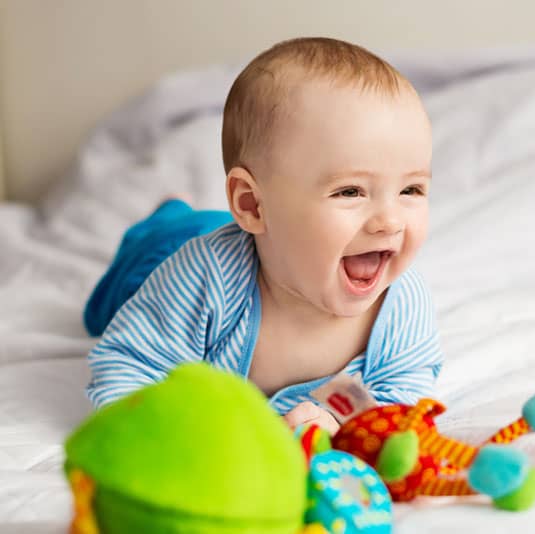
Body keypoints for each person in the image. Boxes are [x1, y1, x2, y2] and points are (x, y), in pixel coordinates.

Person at [83, 37, 443, 434]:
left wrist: (344, 426)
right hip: (170, 251)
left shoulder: (399, 306)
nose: (389, 222)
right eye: (350, 192)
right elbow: (129, 363)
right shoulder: (205, 278)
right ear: (253, 205)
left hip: (268, 238)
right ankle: (168, 212)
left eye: (411, 190)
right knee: (111, 299)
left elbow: (403, 399)